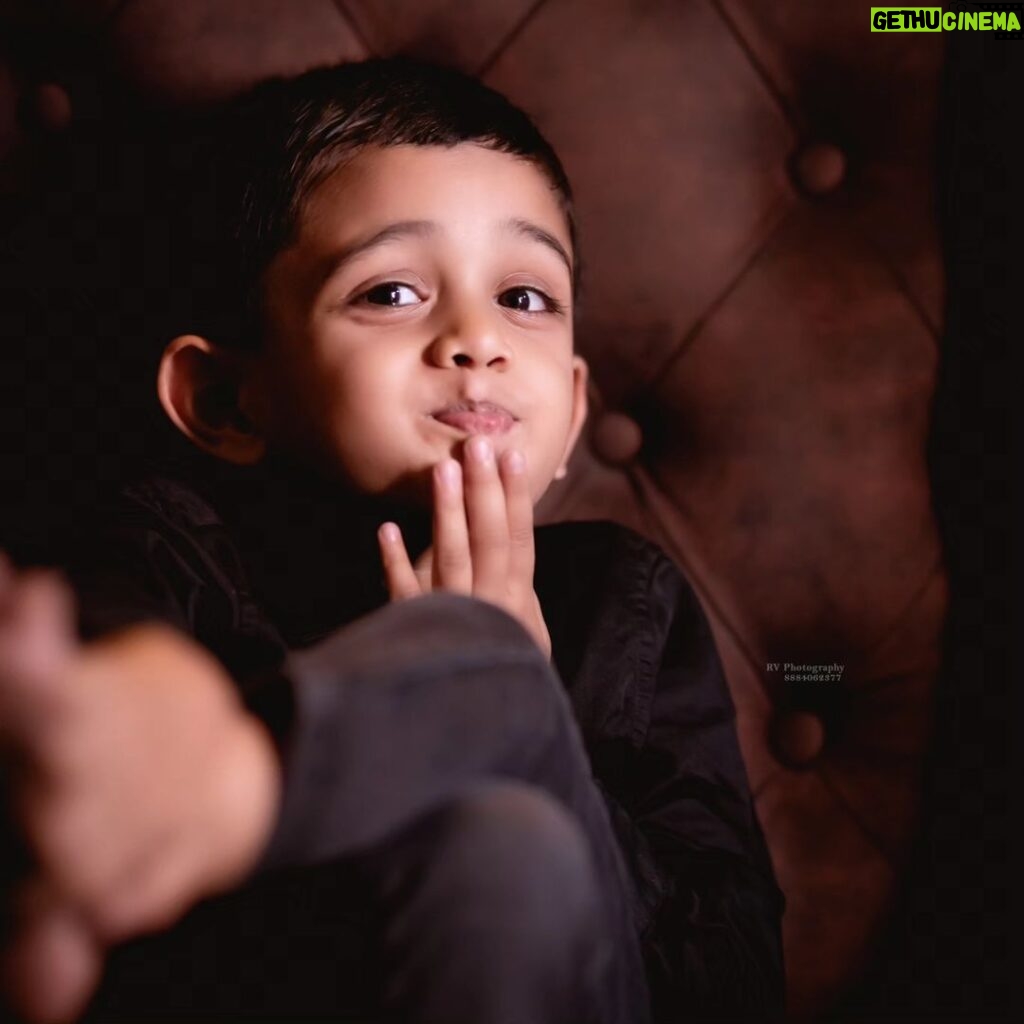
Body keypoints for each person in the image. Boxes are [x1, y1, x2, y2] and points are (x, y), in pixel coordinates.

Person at [0, 57, 785, 1024]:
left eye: (526, 298)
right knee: (499, 845)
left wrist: (520, 703)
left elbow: (732, 983)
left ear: (574, 410)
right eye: (393, 293)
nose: (477, 340)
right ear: (225, 399)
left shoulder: (625, 598)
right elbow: (100, 663)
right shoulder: (173, 550)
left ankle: (244, 783)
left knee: (510, 810)